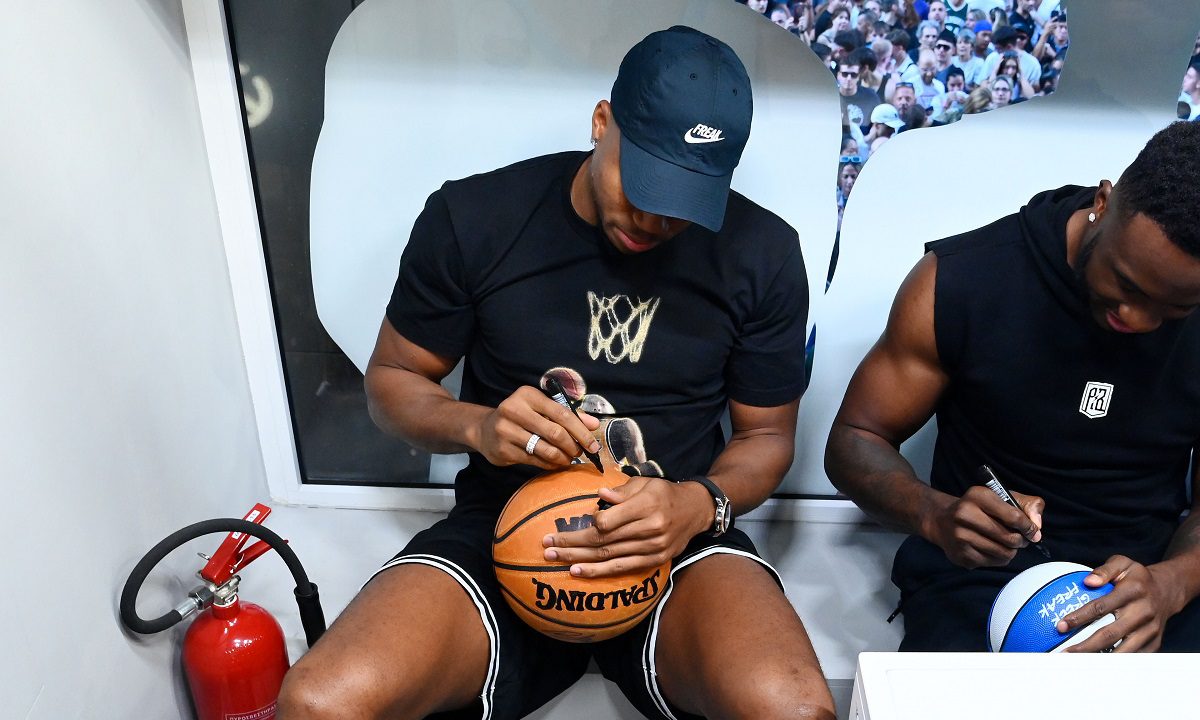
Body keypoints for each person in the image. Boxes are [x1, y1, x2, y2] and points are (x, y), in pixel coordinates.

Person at [277, 26, 836, 720]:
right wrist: (479, 426)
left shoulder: (764, 252)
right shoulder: (476, 218)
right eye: (644, 182)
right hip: (505, 527)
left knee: (794, 710)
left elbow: (766, 437)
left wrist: (700, 504)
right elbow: (392, 382)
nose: (655, 218)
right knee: (318, 703)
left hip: (672, 536)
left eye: (685, 200)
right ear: (602, 122)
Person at [825, 121, 1200, 653]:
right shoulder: (963, 280)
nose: (1138, 319)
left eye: (1175, 308)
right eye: (1125, 283)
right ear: (1103, 203)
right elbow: (856, 438)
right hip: (982, 576)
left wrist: (1173, 584)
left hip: (1154, 580)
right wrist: (934, 512)